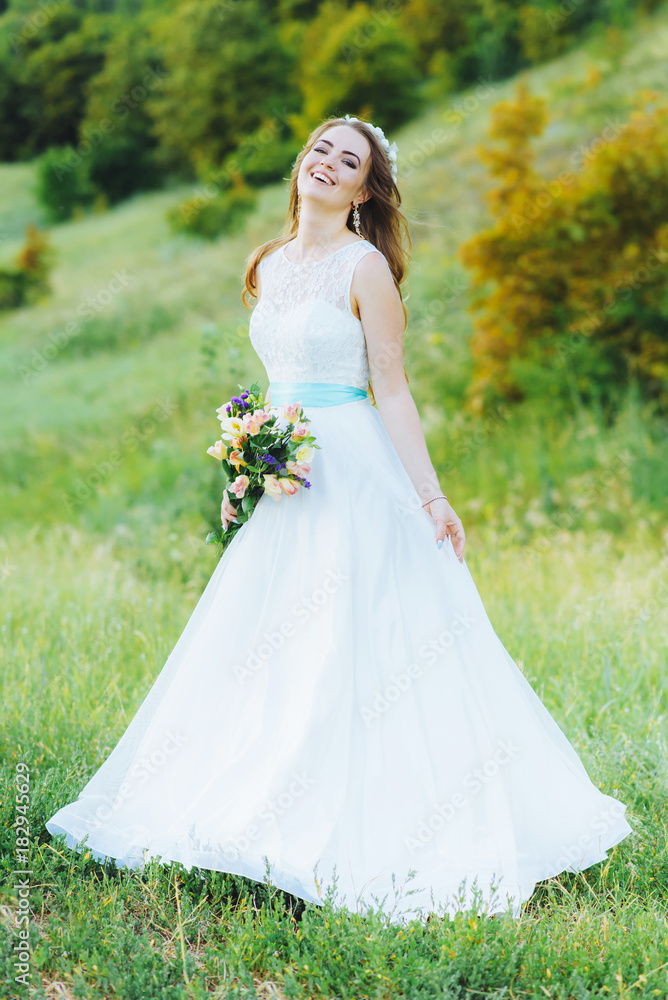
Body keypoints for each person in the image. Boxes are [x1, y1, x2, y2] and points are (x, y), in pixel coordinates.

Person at [46, 115, 632, 922]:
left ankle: (362, 821)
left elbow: (389, 387)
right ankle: (254, 804)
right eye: (321, 149)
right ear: (301, 163)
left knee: (353, 638)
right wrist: (246, 466)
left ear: (364, 191)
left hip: (353, 469)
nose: (328, 164)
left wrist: (430, 496)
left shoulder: (365, 271)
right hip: (289, 477)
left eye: (348, 161)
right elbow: (279, 381)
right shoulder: (267, 262)